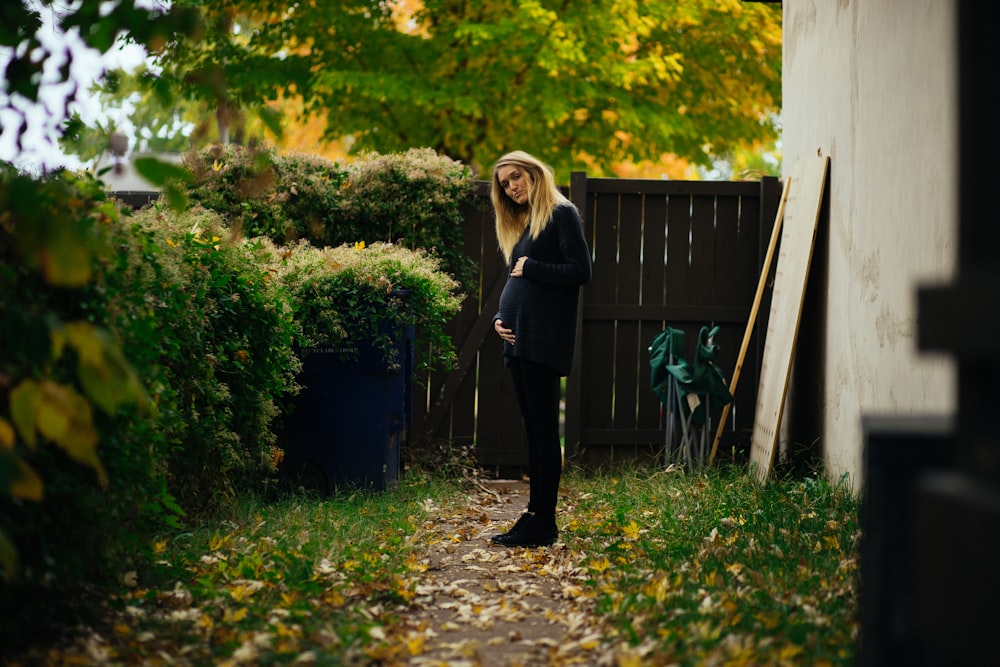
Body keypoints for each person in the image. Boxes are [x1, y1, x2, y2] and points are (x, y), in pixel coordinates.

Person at [488, 151, 592, 547]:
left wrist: (530, 268)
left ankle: (544, 521)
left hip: (542, 339)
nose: (512, 187)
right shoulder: (530, 222)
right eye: (504, 184)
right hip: (520, 339)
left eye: (516, 177)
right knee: (533, 432)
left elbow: (580, 270)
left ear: (533, 173)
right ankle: (533, 514)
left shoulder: (561, 213)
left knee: (545, 432)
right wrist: (501, 316)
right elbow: (518, 280)